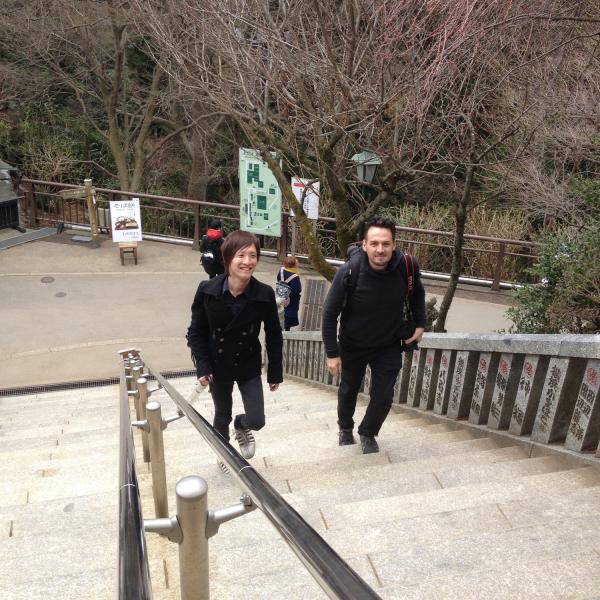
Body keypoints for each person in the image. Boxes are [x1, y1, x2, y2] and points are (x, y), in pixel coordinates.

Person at [321, 216, 426, 454]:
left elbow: (417, 294)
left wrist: (420, 324)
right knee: (349, 389)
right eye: (375, 243)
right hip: (353, 343)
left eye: (386, 244)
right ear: (364, 245)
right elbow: (329, 313)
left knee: (383, 396)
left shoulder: (405, 267)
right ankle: (345, 427)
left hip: (388, 344)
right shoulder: (350, 271)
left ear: (394, 245)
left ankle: (368, 432)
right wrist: (332, 353)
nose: (380, 249)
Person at [187, 230, 283, 465]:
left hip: (247, 362)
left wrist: (274, 372)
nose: (247, 262)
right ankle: (225, 456)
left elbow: (273, 334)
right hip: (217, 365)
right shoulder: (207, 290)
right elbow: (196, 332)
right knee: (222, 415)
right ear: (228, 258)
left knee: (257, 420)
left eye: (253, 255)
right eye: (241, 255)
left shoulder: (264, 294)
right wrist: (203, 366)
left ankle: (241, 424)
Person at [276, 256, 302, 331]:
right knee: (289, 312)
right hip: (291, 298)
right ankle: (286, 328)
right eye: (296, 262)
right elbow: (297, 289)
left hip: (281, 293)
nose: (298, 263)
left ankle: (280, 325)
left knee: (281, 310)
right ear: (294, 265)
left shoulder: (281, 270)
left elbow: (278, 279)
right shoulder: (295, 276)